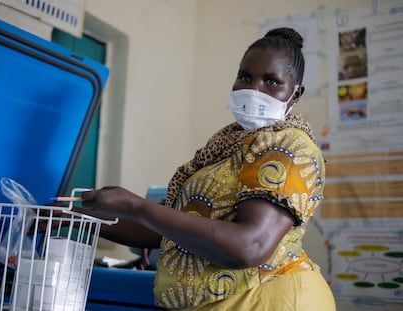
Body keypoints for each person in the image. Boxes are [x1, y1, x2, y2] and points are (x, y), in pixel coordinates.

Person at [81, 27, 336, 311]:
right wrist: (79, 217)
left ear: (295, 94)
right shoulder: (226, 145)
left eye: (271, 81)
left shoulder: (288, 146)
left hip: (269, 300)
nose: (254, 90)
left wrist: (136, 207)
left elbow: (250, 246)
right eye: (245, 77)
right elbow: (172, 230)